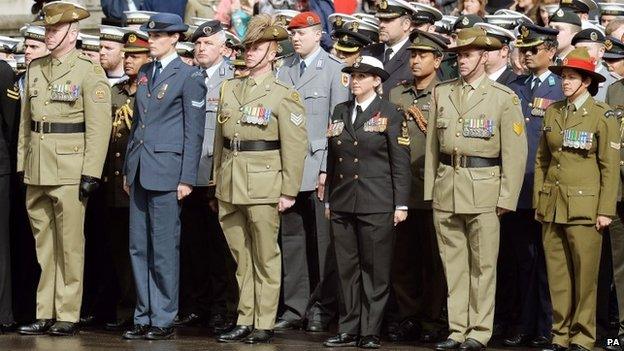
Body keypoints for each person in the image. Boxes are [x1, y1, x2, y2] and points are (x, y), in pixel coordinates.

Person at [424, 27, 528, 351]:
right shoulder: (442, 92)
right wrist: (431, 191)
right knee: (453, 265)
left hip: (483, 189)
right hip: (447, 187)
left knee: (483, 266)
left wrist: (507, 197)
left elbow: (515, 152)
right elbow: (431, 148)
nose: (462, 61)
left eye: (468, 55)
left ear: (484, 56)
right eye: (458, 56)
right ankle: (457, 329)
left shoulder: (503, 98)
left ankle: (479, 331)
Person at [16, 1, 112, 336]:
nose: (49, 34)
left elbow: (98, 127)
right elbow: (27, 124)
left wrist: (91, 172)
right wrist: (22, 163)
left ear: (72, 33)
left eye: (55, 29)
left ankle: (67, 313)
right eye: (47, 29)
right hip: (38, 166)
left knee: (70, 246)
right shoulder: (36, 67)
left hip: (71, 166)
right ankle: (45, 311)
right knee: (44, 245)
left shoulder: (89, 71)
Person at [212, 14, 308, 344]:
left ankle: (263, 321)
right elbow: (219, 140)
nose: (249, 53)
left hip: (264, 183)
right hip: (230, 182)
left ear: (273, 52)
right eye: (247, 47)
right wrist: (216, 182)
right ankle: (245, 316)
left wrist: (289, 190)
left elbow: (295, 147)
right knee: (241, 257)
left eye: (256, 48)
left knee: (265, 257)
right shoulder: (230, 87)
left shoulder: (283, 94)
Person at [121, 12, 206, 341]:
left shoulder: (188, 75)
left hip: (168, 172)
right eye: (150, 36)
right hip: (141, 168)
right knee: (138, 246)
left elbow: (193, 132)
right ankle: (143, 315)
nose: (151, 40)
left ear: (174, 38)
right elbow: (137, 125)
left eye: (157, 36)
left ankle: (163, 316)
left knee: (164, 248)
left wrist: (186, 177)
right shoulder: (145, 72)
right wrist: (130, 169)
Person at [322, 55, 411, 349]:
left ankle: (370, 330)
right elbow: (334, 158)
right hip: (344, 199)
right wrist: (329, 199)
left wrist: (401, 204)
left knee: (375, 269)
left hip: (377, 201)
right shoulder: (340, 110)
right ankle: (348, 328)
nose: (355, 80)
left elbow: (400, 162)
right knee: (346, 268)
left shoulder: (390, 112)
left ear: (377, 80)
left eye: (363, 75)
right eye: (353, 75)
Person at [534, 46, 620, 351]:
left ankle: (583, 336)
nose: (564, 82)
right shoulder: (553, 111)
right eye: (564, 77)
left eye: (571, 77)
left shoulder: (602, 115)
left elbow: (609, 168)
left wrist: (605, 210)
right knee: (557, 275)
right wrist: (540, 202)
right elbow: (543, 161)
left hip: (586, 208)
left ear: (586, 81)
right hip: (553, 205)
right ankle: (559, 334)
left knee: (585, 278)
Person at [275, 11, 349, 333]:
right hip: (287, 169)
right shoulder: (284, 68)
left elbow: (337, 125)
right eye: (292, 33)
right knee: (292, 241)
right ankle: (295, 307)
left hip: (317, 166)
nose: (295, 38)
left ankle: (322, 307)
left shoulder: (335, 71)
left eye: (302, 33)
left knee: (323, 243)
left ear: (318, 35)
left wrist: (325, 170)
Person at [175, 19, 238, 334]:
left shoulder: (232, 80)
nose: (201, 48)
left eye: (208, 44)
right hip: (188, 176)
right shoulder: (188, 77)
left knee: (220, 250)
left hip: (215, 176)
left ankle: (222, 309)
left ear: (224, 49)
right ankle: (196, 306)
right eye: (198, 44)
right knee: (192, 246)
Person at [387, 30, 449, 344]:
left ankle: (433, 321)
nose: (415, 60)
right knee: (402, 261)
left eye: (423, 55)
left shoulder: (446, 93)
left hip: (434, 190)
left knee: (434, 262)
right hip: (401, 191)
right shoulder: (397, 95)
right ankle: (407, 317)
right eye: (412, 55)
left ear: (438, 60)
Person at [503, 23, 562, 348]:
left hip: (545, 190)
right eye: (523, 49)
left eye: (533, 49)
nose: (526, 55)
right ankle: (525, 325)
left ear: (551, 52)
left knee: (547, 263)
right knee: (521, 262)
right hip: (518, 190)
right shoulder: (517, 86)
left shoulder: (558, 88)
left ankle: (548, 327)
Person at [100, 29, 151, 332]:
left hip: (140, 182)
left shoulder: (150, 90)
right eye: (128, 55)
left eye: (136, 55)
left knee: (142, 250)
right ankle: (125, 310)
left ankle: (143, 311)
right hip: (114, 182)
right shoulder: (116, 91)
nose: (130, 60)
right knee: (119, 251)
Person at [363, 0, 418, 96]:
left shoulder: (416, 55)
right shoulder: (368, 52)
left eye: (388, 20)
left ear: (406, 24)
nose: (381, 25)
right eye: (380, 20)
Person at [571, 28, 618, 102]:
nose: (580, 53)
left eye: (586, 49)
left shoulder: (613, 82)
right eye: (576, 50)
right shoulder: (564, 77)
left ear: (601, 51)